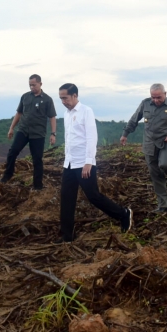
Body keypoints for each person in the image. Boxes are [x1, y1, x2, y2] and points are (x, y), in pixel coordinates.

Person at [56, 83, 133, 243]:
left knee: (93, 196)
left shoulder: (86, 111)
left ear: (75, 95)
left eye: (65, 97)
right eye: (61, 98)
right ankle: (66, 236)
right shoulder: (67, 114)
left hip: (84, 164)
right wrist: (66, 160)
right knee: (66, 198)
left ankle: (123, 214)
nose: (63, 101)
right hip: (69, 164)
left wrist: (89, 162)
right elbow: (70, 140)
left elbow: (92, 137)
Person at [120, 83, 167, 213]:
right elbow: (134, 119)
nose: (156, 100)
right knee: (155, 174)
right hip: (149, 143)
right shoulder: (145, 103)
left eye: (158, 97)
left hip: (166, 141)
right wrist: (125, 134)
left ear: (165, 94)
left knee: (166, 164)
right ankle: (164, 205)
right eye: (153, 97)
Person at [0, 74, 57, 190]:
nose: (32, 87)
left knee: (37, 159)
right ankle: (8, 174)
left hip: (38, 134)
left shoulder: (47, 99)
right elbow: (19, 113)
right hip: (23, 130)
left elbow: (52, 117)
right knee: (12, 152)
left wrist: (53, 133)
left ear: (40, 84)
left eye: (34, 85)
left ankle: (37, 185)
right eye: (30, 85)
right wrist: (11, 128)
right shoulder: (25, 97)